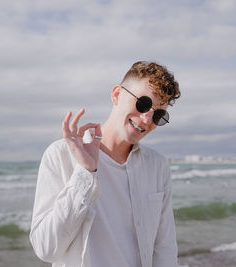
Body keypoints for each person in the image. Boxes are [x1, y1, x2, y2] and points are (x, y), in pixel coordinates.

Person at [30, 61, 181, 267]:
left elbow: (165, 248)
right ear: (117, 94)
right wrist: (85, 172)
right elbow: (46, 249)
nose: (146, 119)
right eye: (143, 103)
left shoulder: (157, 166)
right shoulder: (60, 155)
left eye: (158, 115)